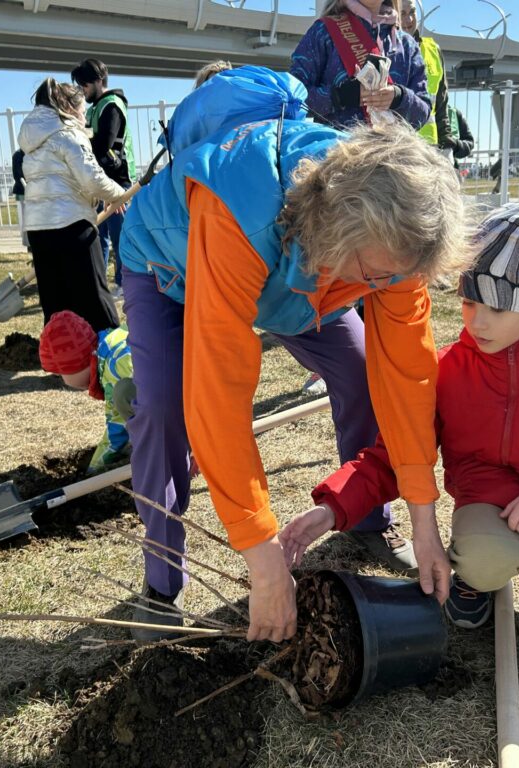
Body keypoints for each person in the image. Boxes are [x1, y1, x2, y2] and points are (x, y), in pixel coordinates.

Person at [118, 67, 469, 643]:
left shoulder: (393, 235)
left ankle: (366, 514)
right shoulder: (240, 202)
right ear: (340, 230)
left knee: (358, 369)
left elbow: (407, 375)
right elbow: (220, 393)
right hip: (171, 267)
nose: (389, 287)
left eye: (395, 278)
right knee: (163, 407)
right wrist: (263, 558)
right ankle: (162, 582)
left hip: (304, 278)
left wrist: (423, 515)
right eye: (378, 276)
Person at [282, 204, 519, 660]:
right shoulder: (448, 370)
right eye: (470, 301)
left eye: (498, 308)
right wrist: (332, 508)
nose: (477, 322)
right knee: (485, 561)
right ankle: (475, 578)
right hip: (488, 503)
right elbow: (394, 457)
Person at [19, 78, 126, 331]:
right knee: (95, 296)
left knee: (56, 302)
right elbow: (92, 178)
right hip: (71, 226)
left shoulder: (32, 139)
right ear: (67, 107)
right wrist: (119, 194)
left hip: (38, 228)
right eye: (80, 110)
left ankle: (64, 363)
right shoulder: (68, 133)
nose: (84, 116)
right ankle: (108, 355)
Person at [290, 0, 431, 131]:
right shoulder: (323, 32)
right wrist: (340, 96)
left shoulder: (407, 45)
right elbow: (290, 99)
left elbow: (423, 114)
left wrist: (399, 97)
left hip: (393, 155)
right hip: (336, 153)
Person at [39, 310, 136, 475]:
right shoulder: (113, 344)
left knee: (125, 397)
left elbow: (117, 429)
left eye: (59, 373)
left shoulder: (113, 369)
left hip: (181, 398)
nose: (63, 380)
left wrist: (93, 470)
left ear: (75, 364)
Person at [71, 59, 135, 295]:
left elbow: (103, 145)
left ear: (99, 80)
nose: (82, 90)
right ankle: (98, 284)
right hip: (99, 180)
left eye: (84, 84)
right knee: (99, 238)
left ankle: (123, 283)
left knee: (120, 238)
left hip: (118, 182)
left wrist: (81, 135)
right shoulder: (95, 108)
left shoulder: (111, 105)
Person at [398, 0, 452, 147]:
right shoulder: (384, 48)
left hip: (428, 146)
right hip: (397, 145)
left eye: (412, 12)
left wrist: (446, 141)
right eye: (402, 13)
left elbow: (442, 102)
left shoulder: (433, 49)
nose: (408, 20)